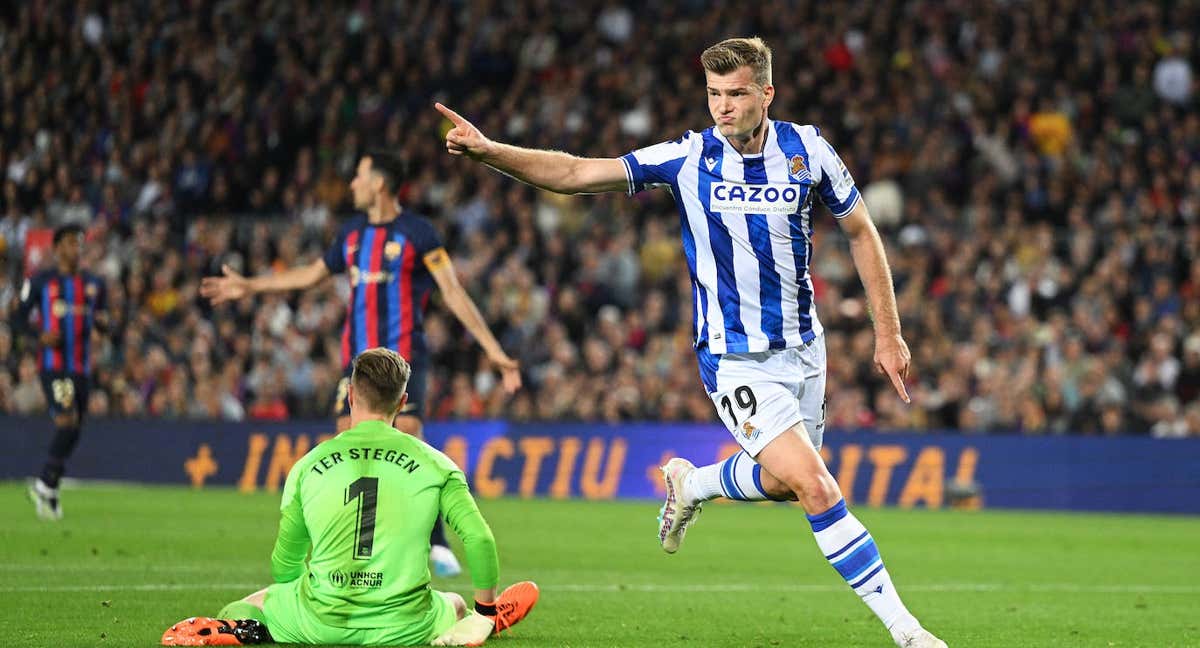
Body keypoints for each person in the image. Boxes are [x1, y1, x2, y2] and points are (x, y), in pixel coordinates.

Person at [437, 37, 945, 648]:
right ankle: (910, 633)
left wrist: (887, 332)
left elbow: (861, 231)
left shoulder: (808, 150)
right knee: (816, 487)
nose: (723, 108)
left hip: (806, 350)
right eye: (713, 95)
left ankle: (695, 483)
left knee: (785, 483)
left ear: (766, 94)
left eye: (736, 95)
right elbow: (575, 174)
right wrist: (491, 152)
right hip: (733, 360)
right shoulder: (687, 157)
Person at [201, 150, 522, 577]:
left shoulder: (419, 233)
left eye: (359, 175)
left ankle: (435, 538)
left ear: (379, 184)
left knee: (406, 435)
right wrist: (251, 286)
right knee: (348, 446)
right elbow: (308, 275)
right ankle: (360, 547)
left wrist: (492, 349)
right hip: (356, 365)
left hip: (404, 359)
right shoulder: (350, 235)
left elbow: (453, 292)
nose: (352, 183)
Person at [160, 348, 539, 647]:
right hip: (401, 628)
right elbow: (479, 538)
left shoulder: (309, 465)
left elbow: (284, 569)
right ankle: (488, 617)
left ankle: (245, 628)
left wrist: (302, 594)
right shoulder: (437, 465)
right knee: (455, 604)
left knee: (254, 603)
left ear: (351, 394)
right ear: (403, 400)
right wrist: (484, 606)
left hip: (318, 622)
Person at [12, 224, 107, 521]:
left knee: (76, 428)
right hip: (54, 366)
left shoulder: (94, 284)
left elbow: (102, 319)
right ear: (56, 248)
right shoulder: (41, 281)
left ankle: (49, 487)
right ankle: (44, 480)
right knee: (67, 421)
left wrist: (102, 329)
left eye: (79, 242)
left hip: (81, 367)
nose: (75, 248)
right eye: (69, 243)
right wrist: (38, 335)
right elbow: (17, 319)